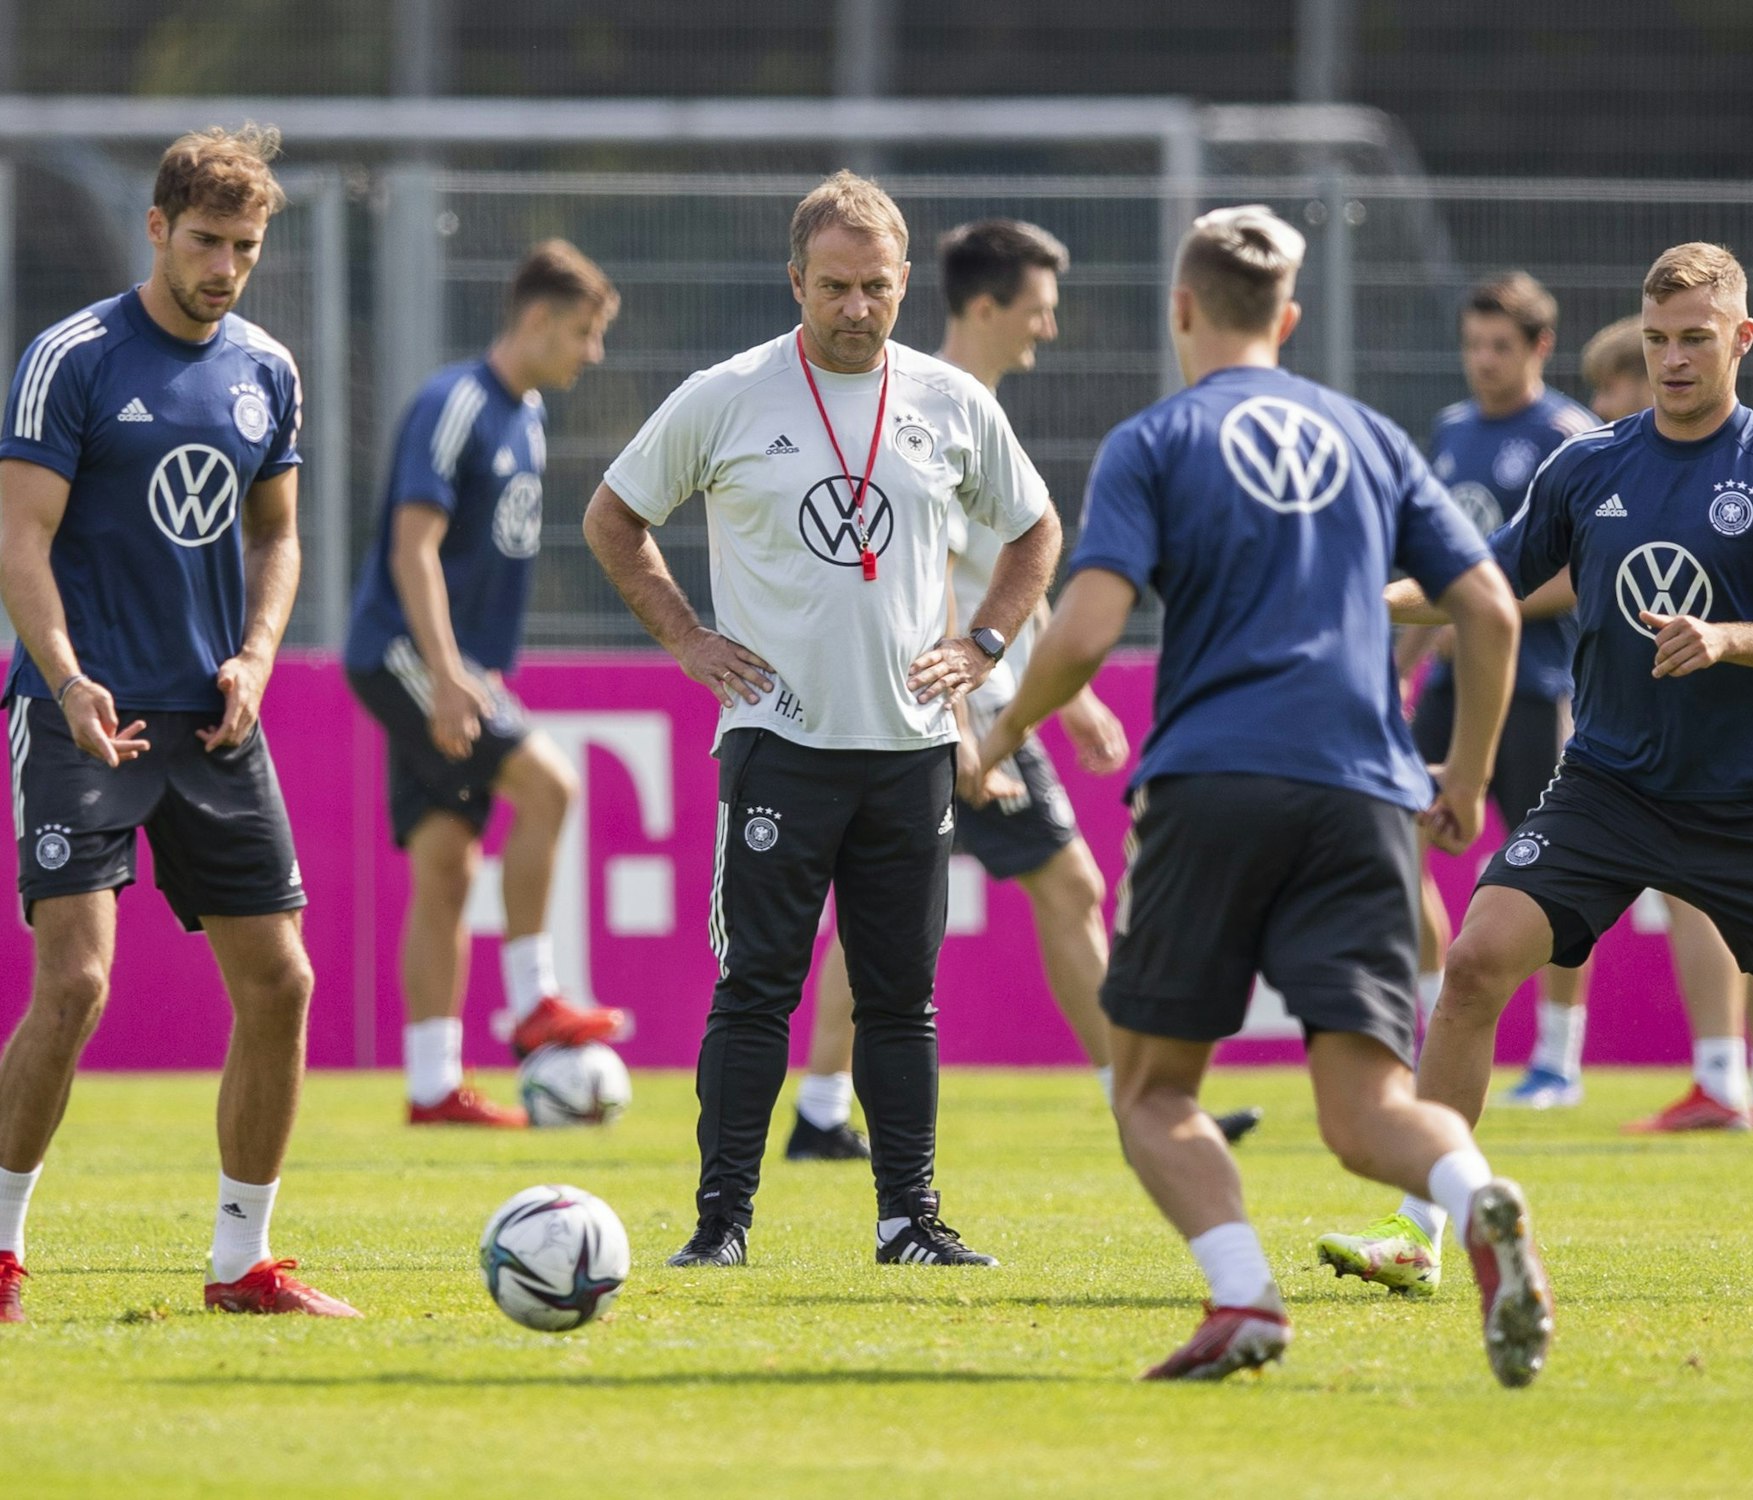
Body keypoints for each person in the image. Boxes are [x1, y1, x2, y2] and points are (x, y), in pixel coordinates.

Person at [1320, 242, 1753, 1301]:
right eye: (1655, 341)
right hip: (1606, 788)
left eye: (1693, 339)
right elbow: (1484, 583)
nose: (1672, 360)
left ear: (1739, 339)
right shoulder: (1587, 466)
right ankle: (1418, 1230)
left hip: (1747, 799)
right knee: (1469, 970)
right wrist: (1357, 596)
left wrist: (1727, 641)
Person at [983, 205, 1553, 1385]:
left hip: (1213, 783)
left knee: (1151, 1089)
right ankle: (1473, 1190)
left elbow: (1085, 632)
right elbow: (1490, 609)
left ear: (1182, 308)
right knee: (1364, 1113)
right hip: (1362, 795)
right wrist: (1462, 777)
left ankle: (1243, 1297)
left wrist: (999, 732)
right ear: (1287, 321)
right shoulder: (1372, 437)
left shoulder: (1152, 442)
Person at [584, 172, 1061, 1269]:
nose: (855, 308)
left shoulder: (948, 398)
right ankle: (721, 1226)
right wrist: (688, 639)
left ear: (901, 285)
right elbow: (613, 515)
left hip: (908, 748)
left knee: (902, 998)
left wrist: (982, 644)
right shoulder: (729, 393)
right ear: (794, 280)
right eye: (834, 287)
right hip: (779, 742)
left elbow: (1034, 531)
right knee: (756, 986)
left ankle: (909, 1221)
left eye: (876, 288)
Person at [783, 219, 1260, 1162]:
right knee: (1067, 882)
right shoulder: (926, 413)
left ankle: (823, 1109)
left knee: (882, 906)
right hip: (952, 704)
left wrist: (1064, 693)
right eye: (1037, 310)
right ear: (986, 306)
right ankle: (1140, 1098)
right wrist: (961, 724)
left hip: (975, 699)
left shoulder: (961, 407)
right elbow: (913, 590)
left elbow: (1003, 579)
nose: (1049, 328)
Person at [0, 125, 355, 1320]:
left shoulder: (268, 369)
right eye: (205, 241)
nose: (224, 267)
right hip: (82, 718)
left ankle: (241, 1264)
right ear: (156, 230)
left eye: (244, 248)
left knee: (284, 984)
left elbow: (277, 533)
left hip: (212, 722)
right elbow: (19, 541)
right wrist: (62, 678)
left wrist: (256, 653)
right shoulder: (74, 357)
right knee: (78, 987)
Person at [345, 241, 625, 1127]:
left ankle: (433, 1085)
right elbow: (411, 546)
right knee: (551, 785)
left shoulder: (530, 415)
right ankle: (537, 999)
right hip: (409, 655)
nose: (594, 352)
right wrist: (448, 672)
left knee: (446, 868)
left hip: (457, 665)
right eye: (583, 332)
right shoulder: (456, 402)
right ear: (537, 319)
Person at [1579, 315, 1753, 1137]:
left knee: (1712, 898)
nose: (1602, 405)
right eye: (1655, 344)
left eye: (1608, 390)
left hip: (1743, 723)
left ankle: (1731, 1077)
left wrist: (1730, 640)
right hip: (1719, 715)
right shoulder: (1612, 465)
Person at [1403, 272, 1598, 1109]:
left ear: (1539, 348)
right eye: (1473, 344)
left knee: (1550, 876)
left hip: (1534, 684)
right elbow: (1433, 569)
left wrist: (1485, 608)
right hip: (1451, 681)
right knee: (1390, 845)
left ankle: (1558, 1060)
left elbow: (1590, 573)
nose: (1483, 361)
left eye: (1501, 347)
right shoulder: (1449, 431)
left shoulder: (1571, 436)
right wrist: (1402, 659)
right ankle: (1419, 1037)